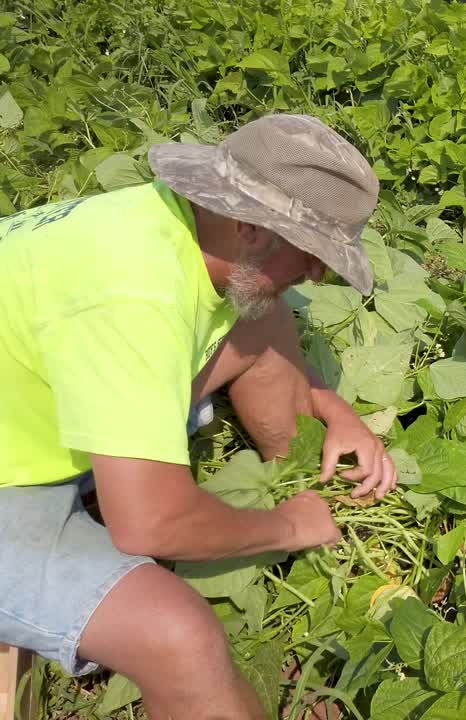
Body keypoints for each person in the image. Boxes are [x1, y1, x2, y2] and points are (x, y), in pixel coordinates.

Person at [0, 114, 400, 719]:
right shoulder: (130, 293)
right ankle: (305, 522)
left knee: (266, 315)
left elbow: (256, 320)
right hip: (12, 481)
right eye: (313, 253)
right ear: (248, 226)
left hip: (30, 413)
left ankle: (309, 486)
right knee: (179, 639)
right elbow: (151, 525)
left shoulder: (168, 226)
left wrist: (330, 403)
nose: (320, 273)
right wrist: (288, 526)